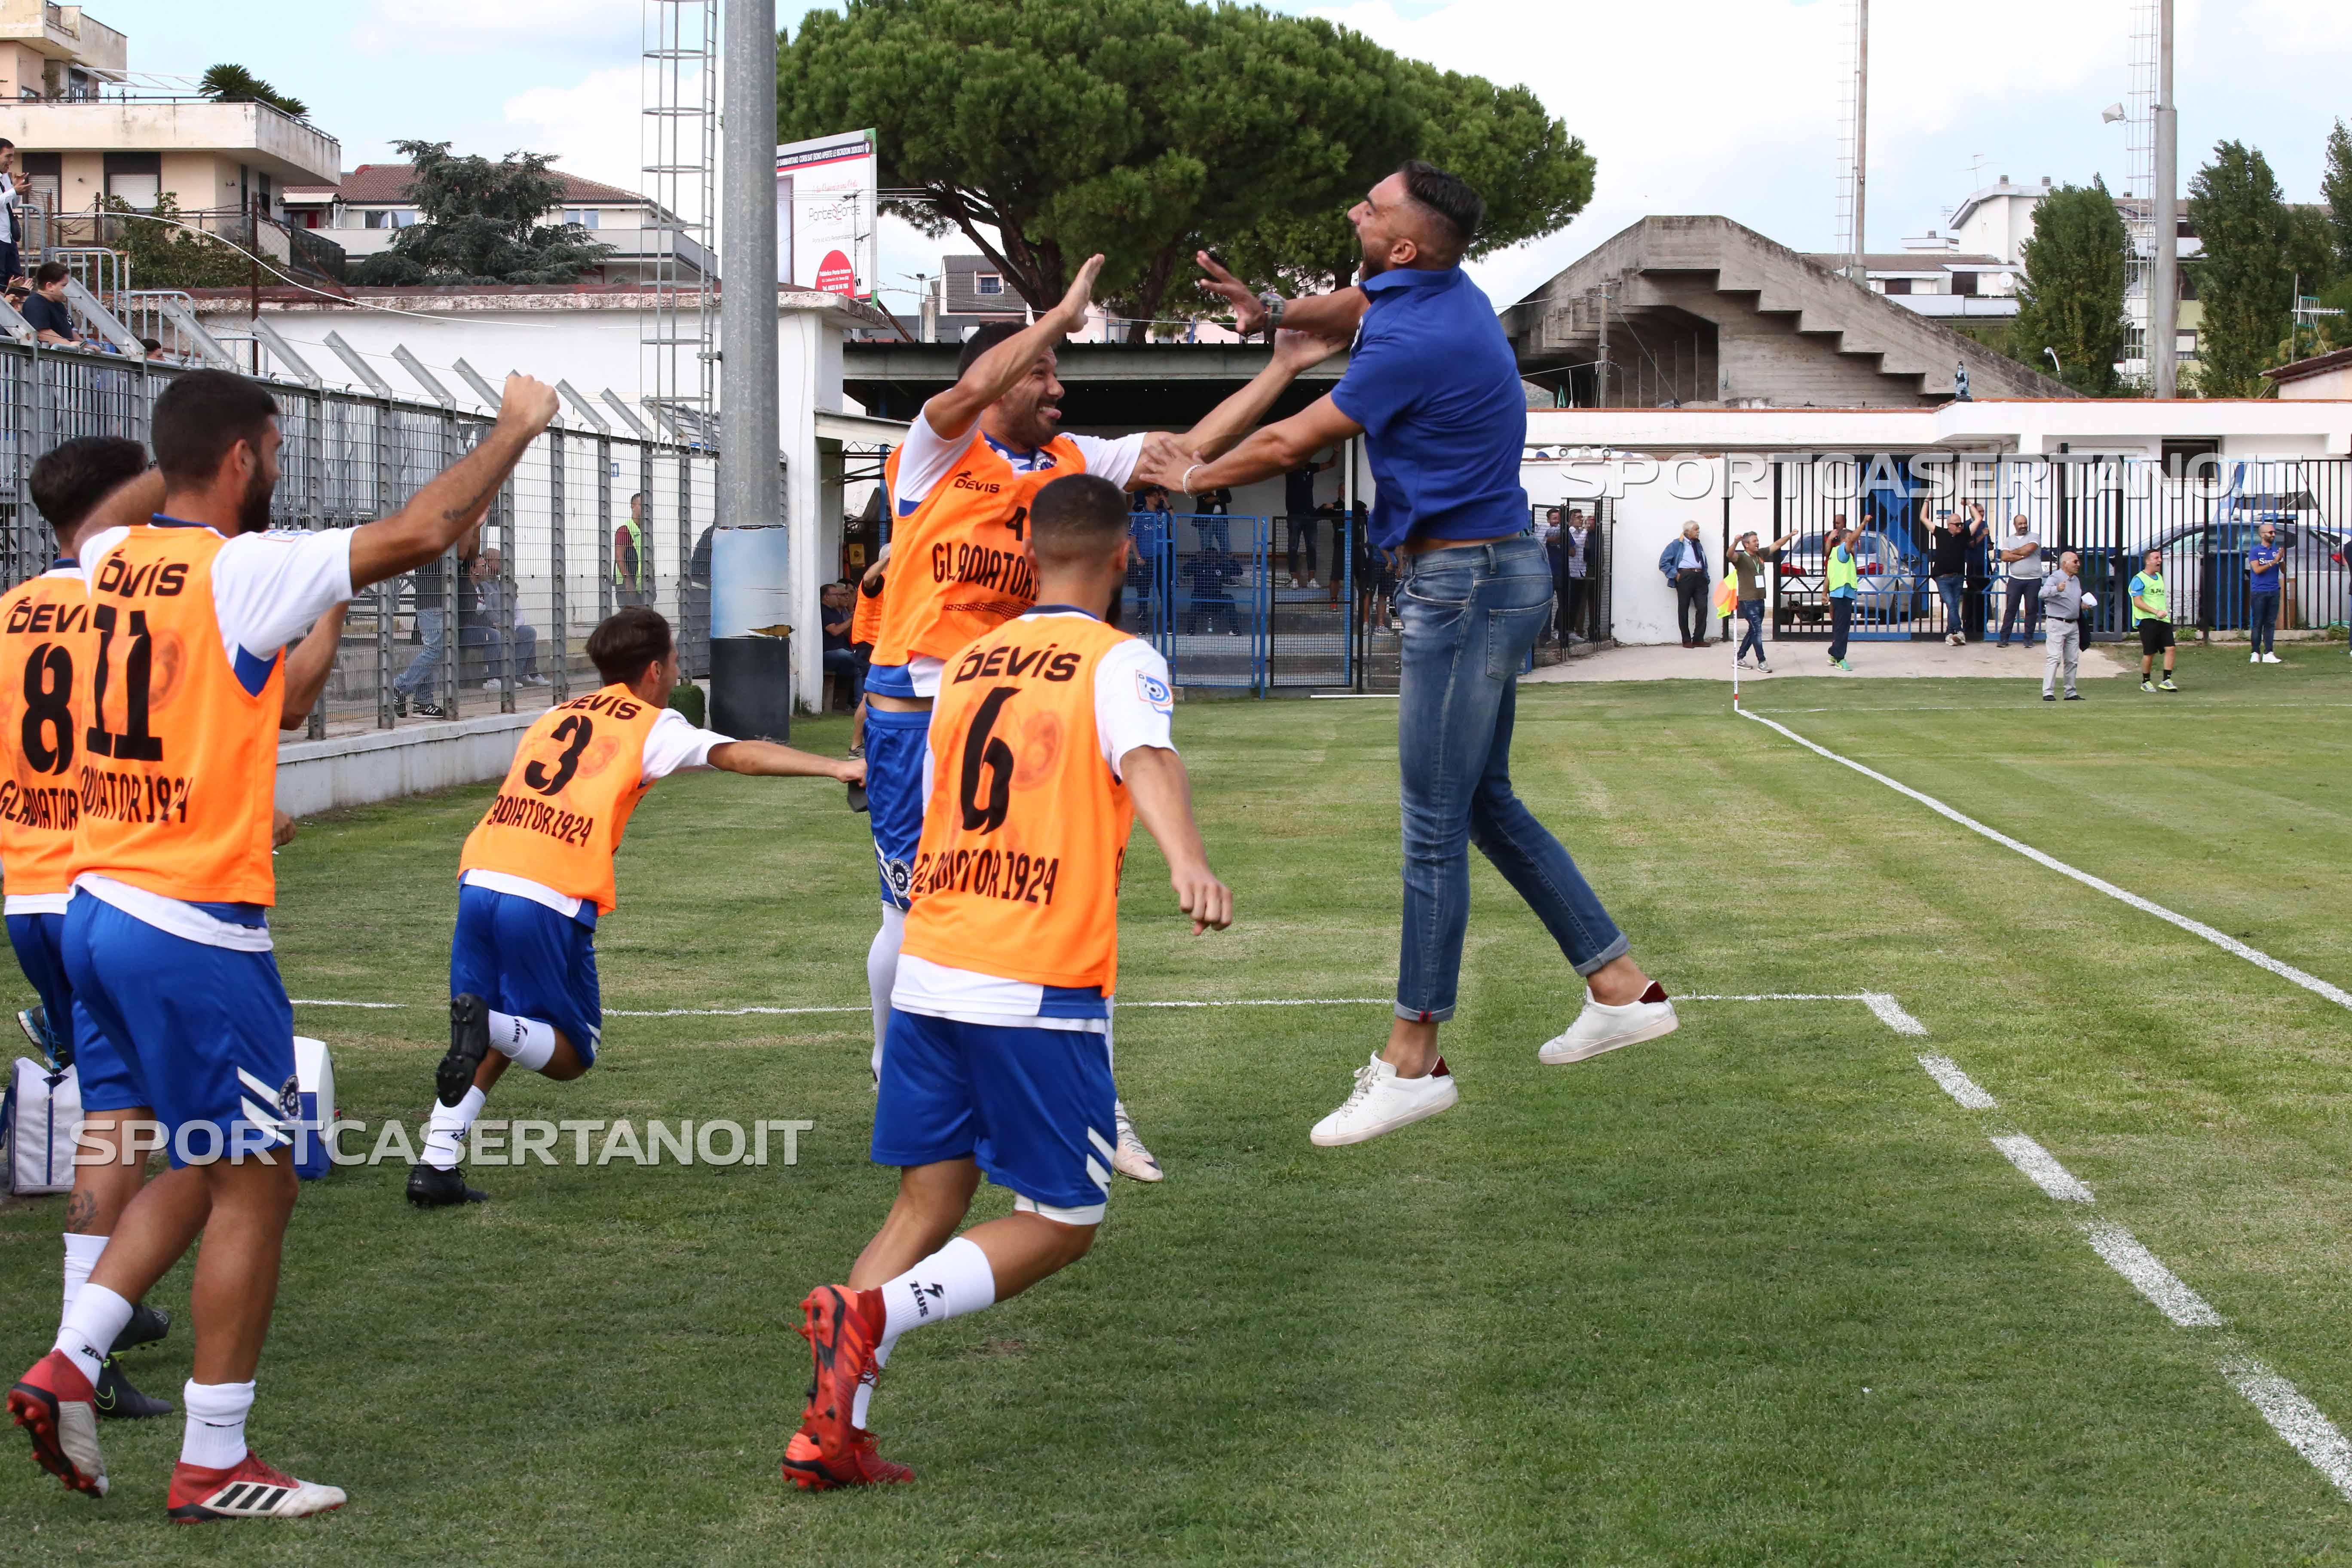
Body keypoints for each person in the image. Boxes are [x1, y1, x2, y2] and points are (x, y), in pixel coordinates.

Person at [10, 367, 559, 1520]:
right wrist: (512, 428)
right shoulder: (240, 569)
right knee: (256, 1188)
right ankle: (215, 1460)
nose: (280, 462)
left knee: (209, 1165)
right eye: (274, 444)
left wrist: (183, 444)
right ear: (245, 458)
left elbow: (130, 515)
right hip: (190, 929)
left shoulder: (110, 559)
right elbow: (422, 529)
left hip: (99, 907)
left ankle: (72, 1357)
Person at [1157, 159, 1675, 1146]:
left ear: (1401, 243)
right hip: (1488, 573)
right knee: (1484, 803)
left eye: (1372, 206)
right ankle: (1620, 988)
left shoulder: (1415, 339)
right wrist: (1271, 309)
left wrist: (1195, 471)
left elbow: (1289, 444)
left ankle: (1413, 1059)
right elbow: (1343, 303)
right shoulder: (1427, 288)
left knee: (1432, 827)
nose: (1354, 206)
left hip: (1467, 585)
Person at [784, 473, 1229, 1491]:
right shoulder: (1118, 659)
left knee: (923, 1204)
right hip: (1030, 979)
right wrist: (1186, 859)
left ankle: (830, 1431)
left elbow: (937, 800)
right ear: (1127, 557)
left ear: (1027, 554)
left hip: (933, 961)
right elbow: (1149, 761)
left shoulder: (971, 658)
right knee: (1063, 1220)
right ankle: (876, 1316)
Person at [860, 254, 1335, 1182]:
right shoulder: (935, 451)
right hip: (920, 720)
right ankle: (895, 1063)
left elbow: (1185, 452)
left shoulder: (1073, 464)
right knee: (913, 912)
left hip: (1034, 709)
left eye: (1054, 367)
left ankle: (1098, 1106)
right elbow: (972, 386)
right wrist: (1060, 316)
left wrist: (1282, 370)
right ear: (997, 376)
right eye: (1040, 371)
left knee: (1069, 901)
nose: (1057, 383)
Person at [406, 606, 864, 1209]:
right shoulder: (651, 723)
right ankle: (486, 1025)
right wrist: (835, 765)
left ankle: (436, 1165)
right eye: (674, 661)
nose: (676, 673)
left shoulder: (556, 713)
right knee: (571, 1052)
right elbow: (738, 755)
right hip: (547, 890)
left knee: (495, 1030)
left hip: (482, 873)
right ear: (654, 670)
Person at [391, 524, 479, 719]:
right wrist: (471, 522)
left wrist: (476, 525)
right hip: (432, 603)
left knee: (436, 651)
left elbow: (471, 554)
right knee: (435, 649)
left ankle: (423, 701)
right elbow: (462, 554)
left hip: (442, 603)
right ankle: (399, 686)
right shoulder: (431, 537)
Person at [1730, 527, 1797, 672]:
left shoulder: (1760, 554)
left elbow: (1777, 545)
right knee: (1757, 631)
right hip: (1748, 601)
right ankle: (1762, 661)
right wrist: (1735, 542)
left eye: (1758, 540)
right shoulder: (1741, 558)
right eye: (1755, 541)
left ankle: (1739, 658)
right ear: (1746, 544)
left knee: (1753, 631)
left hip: (1760, 599)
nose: (1758, 543)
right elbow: (1730, 555)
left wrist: (1790, 535)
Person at [2041, 550, 2088, 701]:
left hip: (2073, 624)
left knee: (2072, 659)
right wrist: (2057, 589)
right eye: (2075, 562)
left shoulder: (2076, 580)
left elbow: (2072, 600)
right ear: (2065, 563)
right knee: (2054, 658)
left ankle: (2070, 692)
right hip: (2057, 623)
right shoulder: (2056, 577)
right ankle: (2048, 692)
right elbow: (2042, 594)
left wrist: (2082, 605)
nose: (2078, 564)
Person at [2129, 548, 2178, 693]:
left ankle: (2167, 680)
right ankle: (2146, 681)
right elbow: (2137, 602)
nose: (2160, 561)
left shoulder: (2159, 577)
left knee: (2171, 648)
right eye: (2156, 558)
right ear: (2148, 561)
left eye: (2160, 558)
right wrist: (2155, 612)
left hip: (2163, 620)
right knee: (2150, 652)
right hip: (2146, 620)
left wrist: (2162, 613)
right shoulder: (2139, 579)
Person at [1659, 520, 1710, 648]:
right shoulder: (1677, 544)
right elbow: (1663, 563)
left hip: (1700, 577)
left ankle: (1698, 639)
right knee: (1684, 608)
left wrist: (1706, 576)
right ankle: (1686, 640)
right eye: (1696, 529)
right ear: (1687, 532)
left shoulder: (1698, 545)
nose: (1698, 532)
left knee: (1703, 607)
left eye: (1698, 529)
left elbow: (1703, 561)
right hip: (1685, 577)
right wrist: (1676, 575)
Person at [1284, 454, 1334, 587]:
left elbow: (1331, 464)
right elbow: (1277, 463)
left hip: (1310, 514)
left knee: (1311, 546)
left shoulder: (1311, 467)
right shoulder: (1291, 467)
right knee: (1293, 546)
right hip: (1294, 514)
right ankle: (1294, 579)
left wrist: (1336, 452)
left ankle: (1312, 580)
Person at [1996, 512, 2043, 647]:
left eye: (2025, 523)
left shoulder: (2034, 536)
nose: (2023, 526)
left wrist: (2014, 553)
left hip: (2033, 580)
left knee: (2031, 610)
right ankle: (2004, 639)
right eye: (2020, 524)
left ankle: (2028, 639)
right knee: (2011, 609)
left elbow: (2030, 549)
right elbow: (2004, 557)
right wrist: (2022, 556)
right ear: (2015, 525)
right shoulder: (2009, 540)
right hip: (2015, 579)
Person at [1928, 509, 1968, 646]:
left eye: (1961, 524)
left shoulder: (1963, 536)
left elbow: (1979, 519)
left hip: (1958, 577)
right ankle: (1959, 630)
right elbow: (1923, 518)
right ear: (1949, 525)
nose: (1960, 527)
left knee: (1954, 606)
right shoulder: (1940, 533)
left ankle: (1950, 634)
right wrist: (1927, 501)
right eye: (1957, 524)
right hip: (1942, 578)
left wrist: (1969, 504)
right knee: (1951, 604)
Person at [22, 263, 84, 349]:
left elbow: (69, 331)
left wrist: (85, 345)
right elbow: (42, 334)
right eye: (64, 285)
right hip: (48, 361)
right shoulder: (35, 303)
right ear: (50, 286)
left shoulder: (58, 304)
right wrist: (69, 345)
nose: (68, 290)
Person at [821, 581, 862, 710]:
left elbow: (846, 633)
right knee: (854, 658)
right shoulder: (823, 610)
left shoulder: (836, 612)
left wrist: (853, 616)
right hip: (829, 653)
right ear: (827, 597)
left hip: (841, 654)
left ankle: (859, 704)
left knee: (859, 668)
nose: (839, 597)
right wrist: (851, 619)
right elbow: (835, 631)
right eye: (836, 595)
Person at [2246, 521, 2283, 664]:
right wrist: (2274, 562)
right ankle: (2255, 652)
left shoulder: (2276, 551)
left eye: (2274, 532)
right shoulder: (2255, 551)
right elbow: (2257, 570)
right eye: (2270, 532)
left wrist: (2281, 560)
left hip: (2274, 590)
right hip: (2259, 592)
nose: (2273, 535)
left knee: (2270, 623)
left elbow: (2283, 571)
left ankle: (2269, 652)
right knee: (2258, 622)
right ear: (2263, 535)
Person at [1825, 522, 1861, 671]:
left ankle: (1834, 653)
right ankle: (1840, 658)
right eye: (1850, 539)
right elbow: (1852, 540)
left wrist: (1824, 593)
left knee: (1840, 626)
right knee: (1843, 628)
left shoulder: (1834, 553)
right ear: (1845, 540)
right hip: (1842, 595)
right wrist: (1864, 523)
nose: (1853, 543)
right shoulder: (1842, 551)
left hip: (1838, 594)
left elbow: (1829, 576)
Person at [1558, 508, 1594, 642]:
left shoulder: (1581, 533)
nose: (1581, 519)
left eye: (1581, 517)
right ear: (1571, 519)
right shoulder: (1570, 532)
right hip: (1570, 572)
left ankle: (1570, 630)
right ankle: (1561, 630)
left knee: (1576, 603)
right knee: (1567, 602)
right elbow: (1577, 546)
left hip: (1580, 571)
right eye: (1578, 517)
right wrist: (1585, 530)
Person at [1962, 501, 1993, 642]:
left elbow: (1990, 545)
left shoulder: (1985, 525)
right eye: (1979, 512)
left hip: (1985, 565)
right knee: (1973, 597)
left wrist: (1989, 543)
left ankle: (1982, 627)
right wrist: (1982, 536)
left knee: (1984, 597)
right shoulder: (1968, 525)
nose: (1982, 514)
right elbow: (1969, 545)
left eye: (1983, 512)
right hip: (1973, 566)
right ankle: (1970, 627)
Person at [615, 492, 651, 609]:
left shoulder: (646, 532)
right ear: (633, 506)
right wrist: (628, 581)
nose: (644, 509)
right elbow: (619, 556)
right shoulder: (625, 530)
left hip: (642, 586)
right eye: (641, 505)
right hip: (628, 586)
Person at [0, 138, 21, 288]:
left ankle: (16, 310)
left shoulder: (5, 176)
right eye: (8, 156)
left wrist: (17, 190)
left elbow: (12, 204)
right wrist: (14, 191)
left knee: (16, 280)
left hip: (9, 238)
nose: (12, 161)